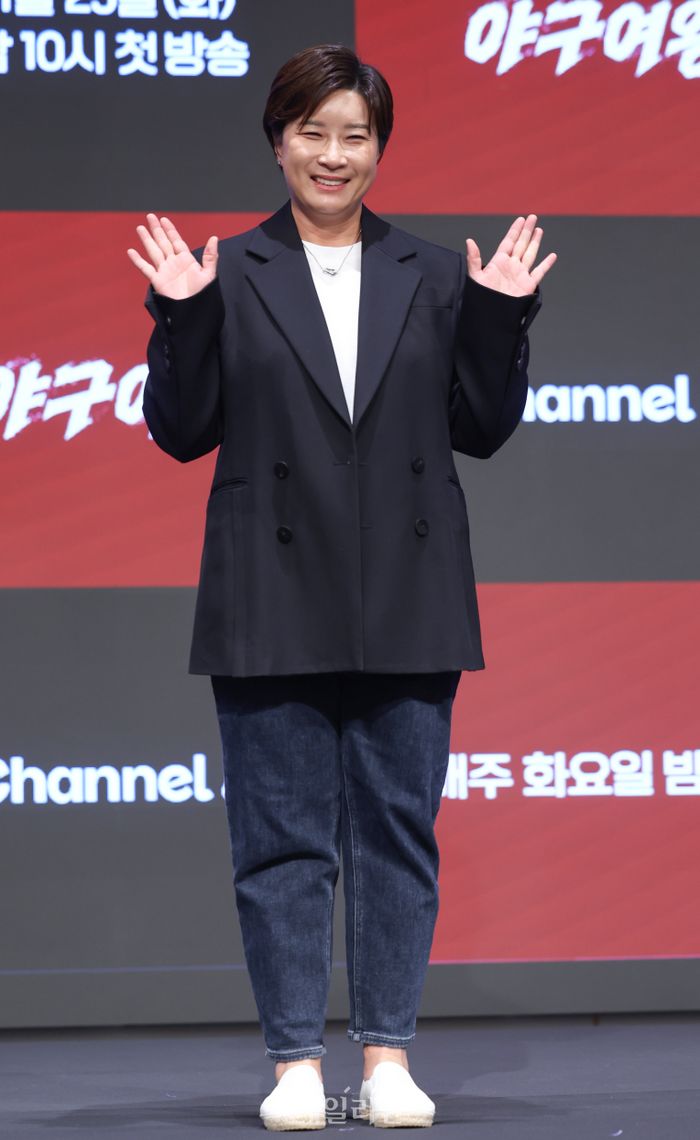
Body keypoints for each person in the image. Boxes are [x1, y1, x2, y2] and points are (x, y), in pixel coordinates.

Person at [128, 42, 555, 1132]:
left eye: (354, 135)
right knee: (279, 844)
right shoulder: (227, 272)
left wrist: (499, 316)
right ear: (277, 143)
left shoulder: (435, 275)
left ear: (379, 149)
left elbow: (481, 430)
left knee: (396, 837)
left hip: (407, 592)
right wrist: (179, 315)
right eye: (311, 132)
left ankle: (387, 1057)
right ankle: (292, 1065)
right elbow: (181, 431)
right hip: (269, 594)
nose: (333, 154)